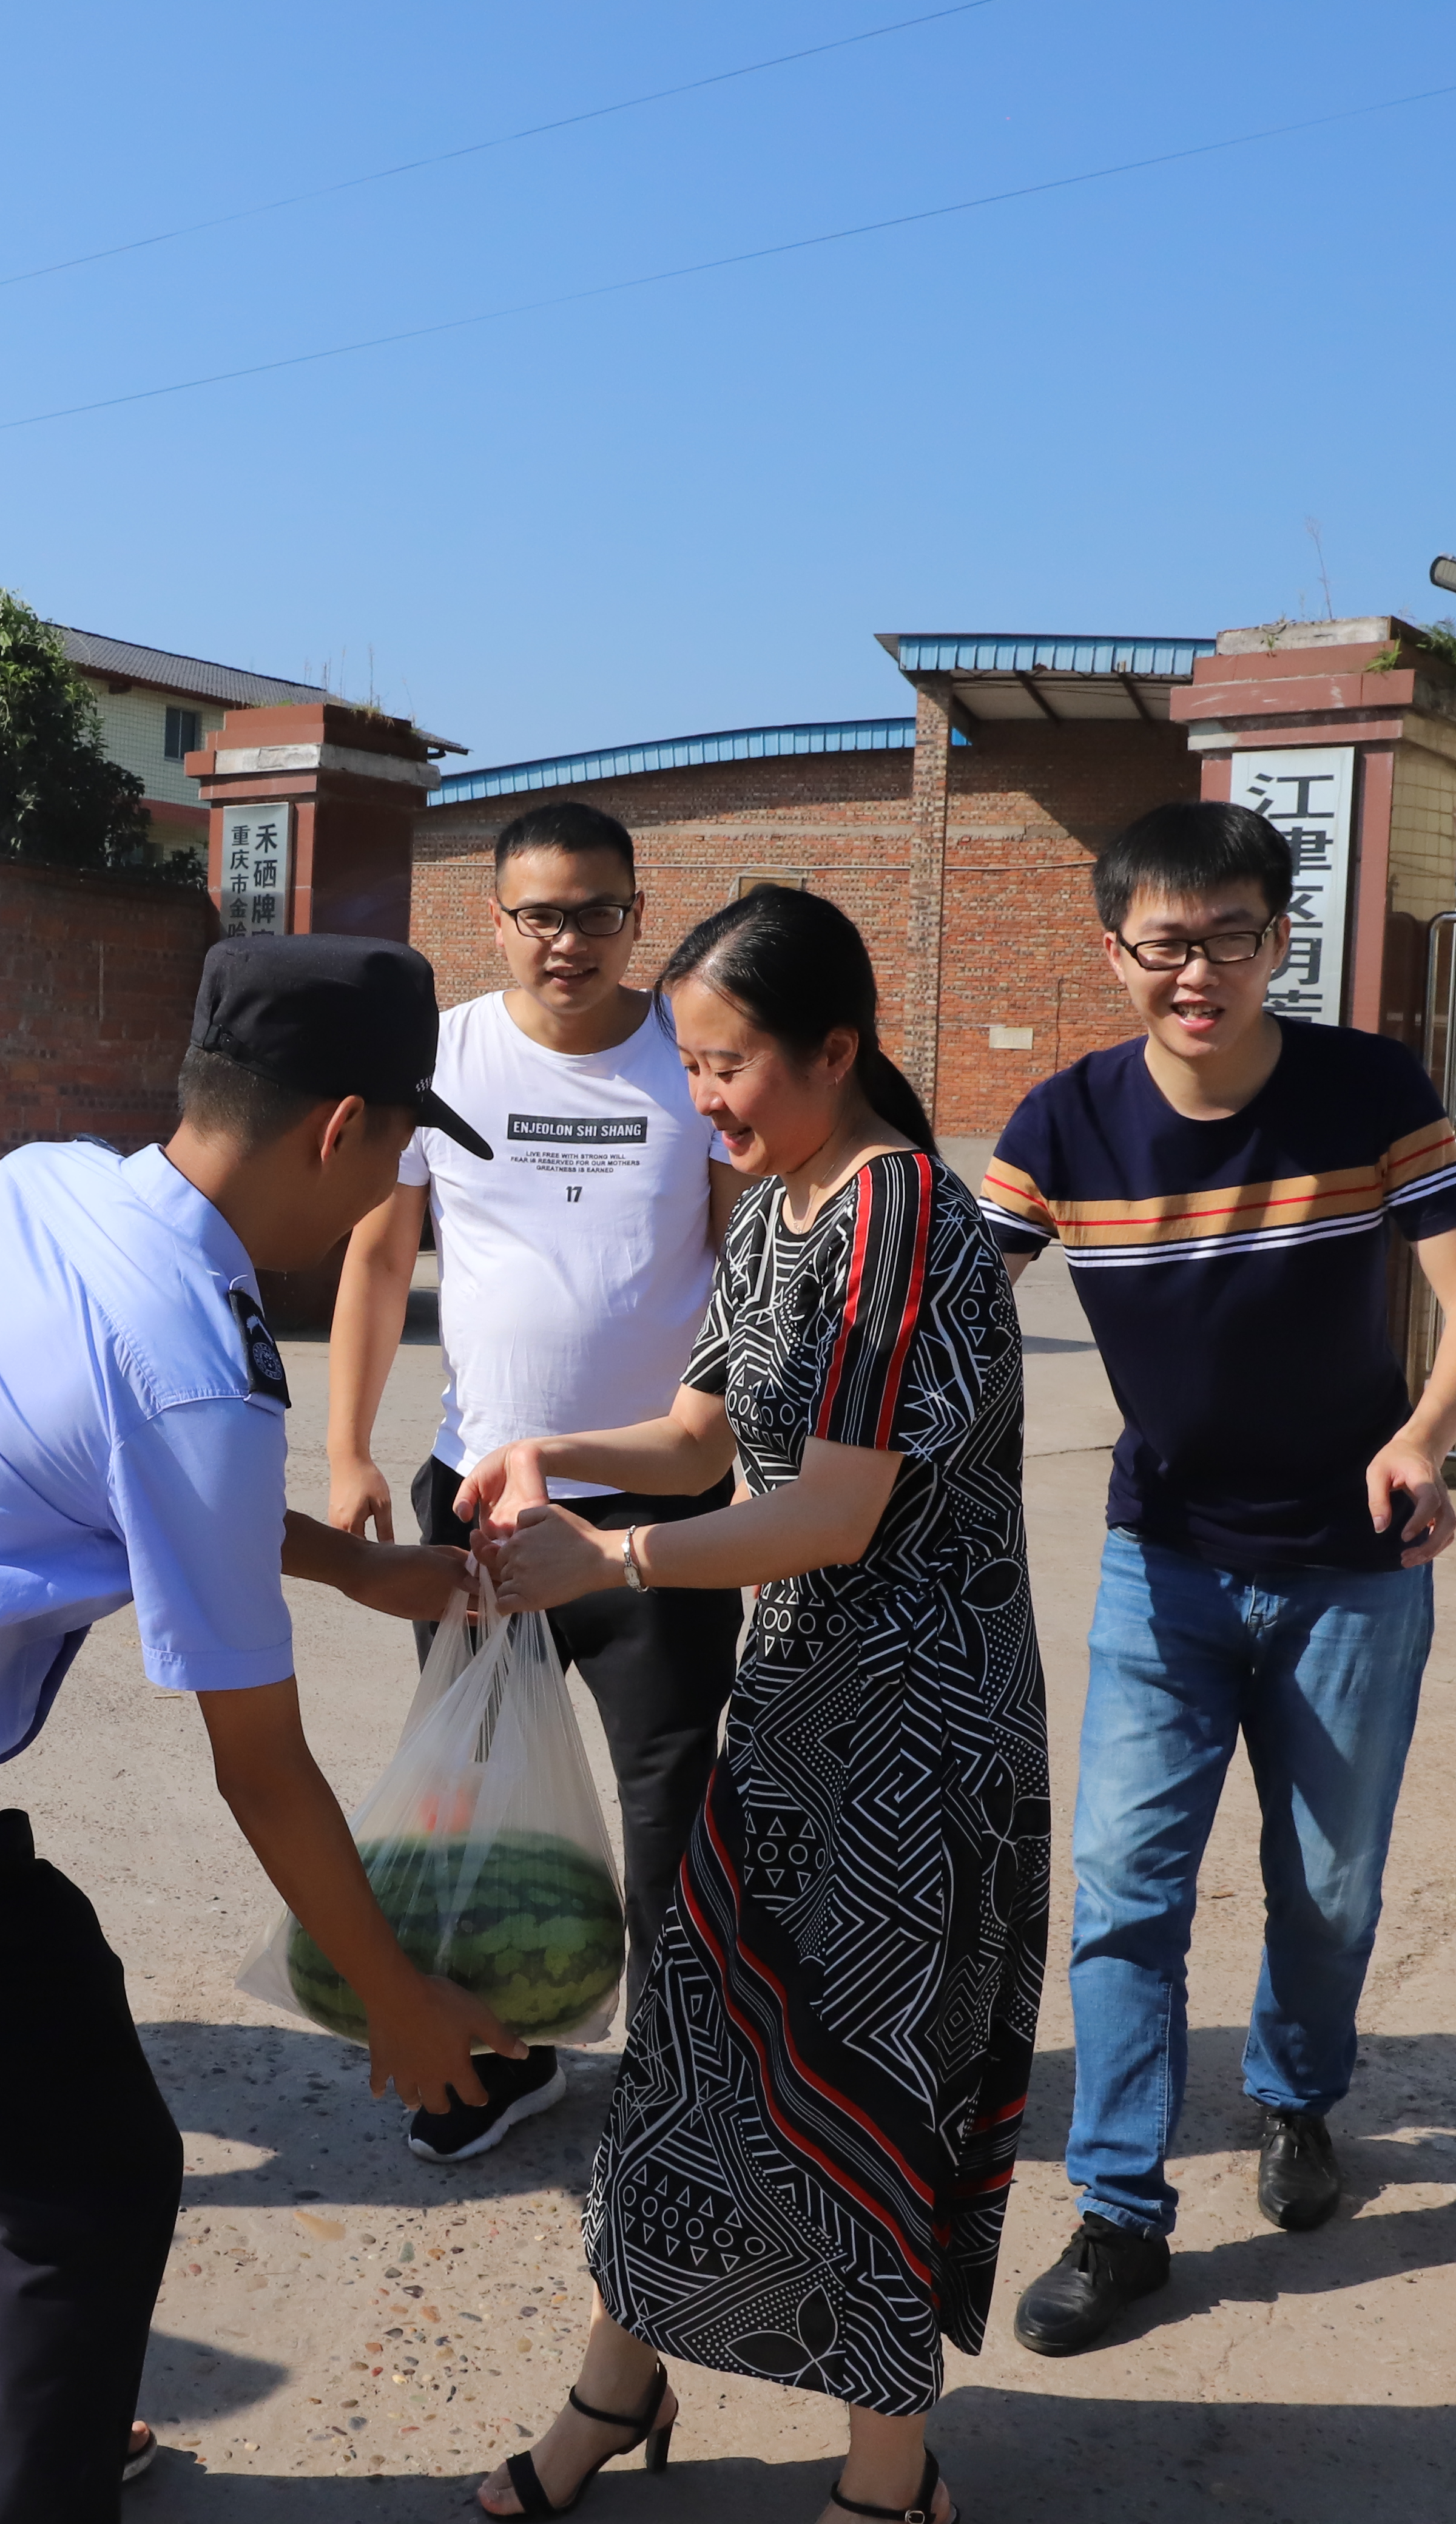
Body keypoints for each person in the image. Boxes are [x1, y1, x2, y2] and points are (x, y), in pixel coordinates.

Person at [0, 935, 520, 2524]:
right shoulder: (200, 1360)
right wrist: (395, 1999)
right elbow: (259, 1765)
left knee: (11, 2073)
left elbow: (130, 1464)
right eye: (404, 1148)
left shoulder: (54, 1187)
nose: (394, 1193)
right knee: (96, 2191)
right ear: (342, 1129)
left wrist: (352, 1565)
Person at [470, 886, 1042, 2524]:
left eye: (730, 1066)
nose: (705, 1097)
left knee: (861, 2088)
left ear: (835, 1051)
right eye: (695, 1064)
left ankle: (889, 2476)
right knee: (693, 2063)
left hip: (910, 1747)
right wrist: (548, 1451)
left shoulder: (898, 1218)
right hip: (794, 1717)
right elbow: (701, 1438)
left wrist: (609, 1560)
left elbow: (830, 1516)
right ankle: (614, 2388)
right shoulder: (785, 1207)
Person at [977, 800, 1456, 2357]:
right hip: (1166, 1567)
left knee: (1325, 1893)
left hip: (1355, 1569)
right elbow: (945, 1293)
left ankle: (1295, 2101)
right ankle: (1120, 2212)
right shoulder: (1064, 1123)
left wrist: (1426, 1435)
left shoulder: (1367, 1090)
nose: (1195, 972)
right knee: (1124, 1894)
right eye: (1164, 945)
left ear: (1279, 939)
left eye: (1229, 938)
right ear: (1117, 953)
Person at [326, 798, 746, 2163]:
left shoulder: (692, 1064)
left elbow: (745, 1272)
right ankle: (507, 2060)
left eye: (598, 912)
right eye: (540, 915)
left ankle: (684, 2074)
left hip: (657, 1506)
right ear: (495, 919)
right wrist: (344, 1450)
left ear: (640, 911)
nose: (568, 941)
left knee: (669, 1803)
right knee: (477, 1808)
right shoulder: (442, 1059)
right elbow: (381, 1262)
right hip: (481, 1506)